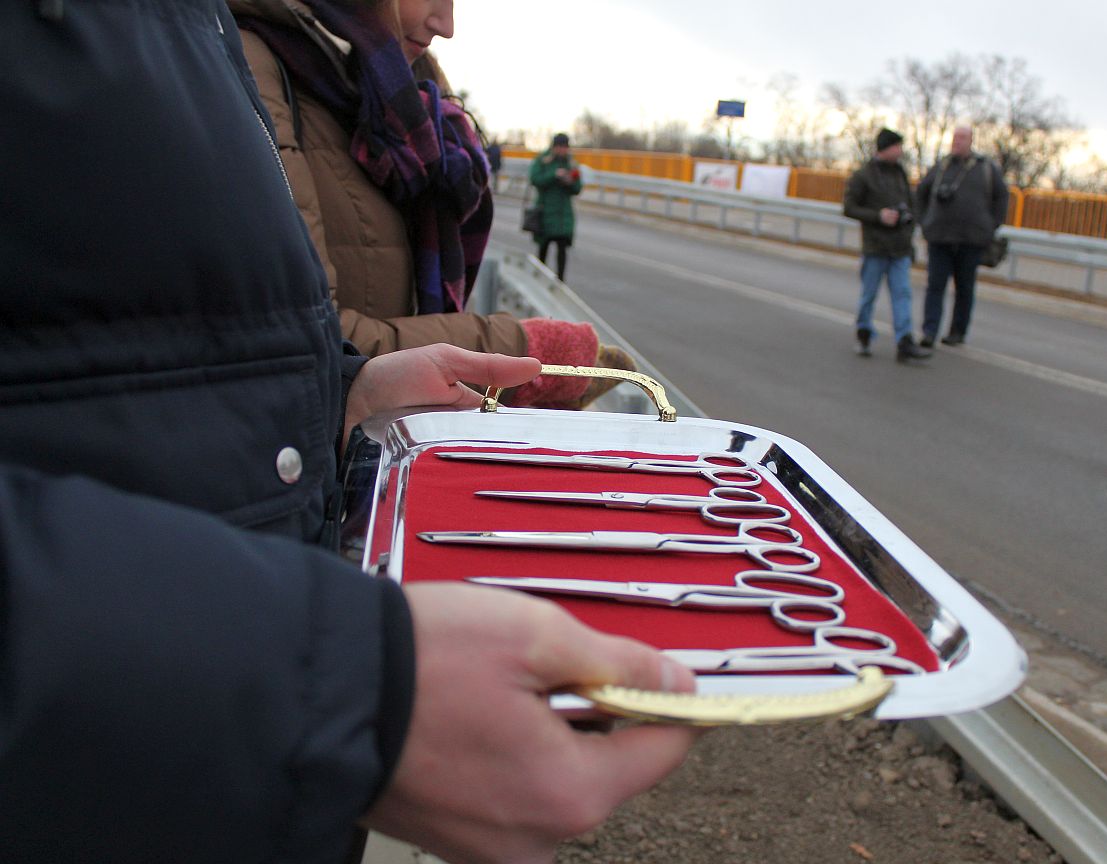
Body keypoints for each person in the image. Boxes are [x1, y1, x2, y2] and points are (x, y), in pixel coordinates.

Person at [0, 4, 698, 863]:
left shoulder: (247, 42)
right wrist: (348, 690)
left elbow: (163, 348)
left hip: (227, 723)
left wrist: (342, 393)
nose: (446, 23)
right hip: (140, 745)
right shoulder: (258, 54)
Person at [231, 0, 631, 409]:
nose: (446, 25)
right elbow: (310, 343)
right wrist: (528, 353)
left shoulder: (387, 89)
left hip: (367, 435)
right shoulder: (250, 68)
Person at [915, 125, 1010, 347]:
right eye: (955, 137)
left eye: (962, 138)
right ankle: (930, 331)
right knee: (935, 286)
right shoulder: (941, 166)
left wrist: (990, 226)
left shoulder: (985, 168)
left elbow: (1002, 196)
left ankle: (958, 331)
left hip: (971, 240)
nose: (957, 141)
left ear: (971, 141)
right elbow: (921, 193)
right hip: (940, 237)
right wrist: (924, 222)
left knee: (965, 288)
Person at [843, 128, 932, 363]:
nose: (900, 151)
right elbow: (849, 207)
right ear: (885, 147)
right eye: (897, 146)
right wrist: (878, 216)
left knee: (902, 294)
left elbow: (912, 205)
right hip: (875, 247)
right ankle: (864, 332)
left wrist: (908, 222)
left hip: (899, 247)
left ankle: (904, 341)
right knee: (869, 295)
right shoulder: (865, 175)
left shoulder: (900, 173)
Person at [528, 133, 584, 281]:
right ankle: (539, 279)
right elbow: (535, 179)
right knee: (543, 248)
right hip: (545, 211)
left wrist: (570, 182)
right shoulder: (543, 161)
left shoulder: (571, 164)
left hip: (563, 214)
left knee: (562, 249)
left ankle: (560, 281)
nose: (562, 150)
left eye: (564, 147)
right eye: (559, 147)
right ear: (553, 147)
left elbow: (578, 188)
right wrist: (554, 175)